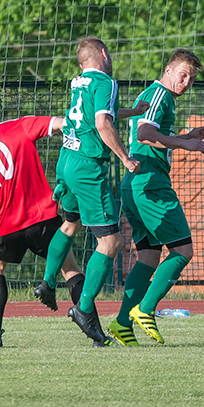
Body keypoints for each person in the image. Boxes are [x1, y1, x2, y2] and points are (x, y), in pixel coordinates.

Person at [36, 36, 141, 345]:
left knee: (69, 223)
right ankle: (82, 310)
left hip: (66, 161)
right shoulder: (106, 82)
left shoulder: (78, 82)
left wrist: (131, 112)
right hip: (87, 167)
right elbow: (102, 124)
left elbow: (95, 114)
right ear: (104, 54)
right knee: (110, 243)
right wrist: (126, 158)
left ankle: (46, 282)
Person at [107, 49, 204, 346]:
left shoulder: (159, 97)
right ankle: (145, 309)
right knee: (183, 251)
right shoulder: (159, 94)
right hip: (150, 185)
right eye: (182, 75)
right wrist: (184, 142)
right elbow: (143, 133)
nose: (186, 83)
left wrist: (186, 135)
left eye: (191, 79)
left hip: (135, 186)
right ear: (168, 70)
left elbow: (154, 134)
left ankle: (121, 324)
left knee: (150, 257)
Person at [0, 101, 86, 349]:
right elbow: (61, 124)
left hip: (4, 225)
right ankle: (93, 328)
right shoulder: (19, 126)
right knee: (69, 268)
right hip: (42, 218)